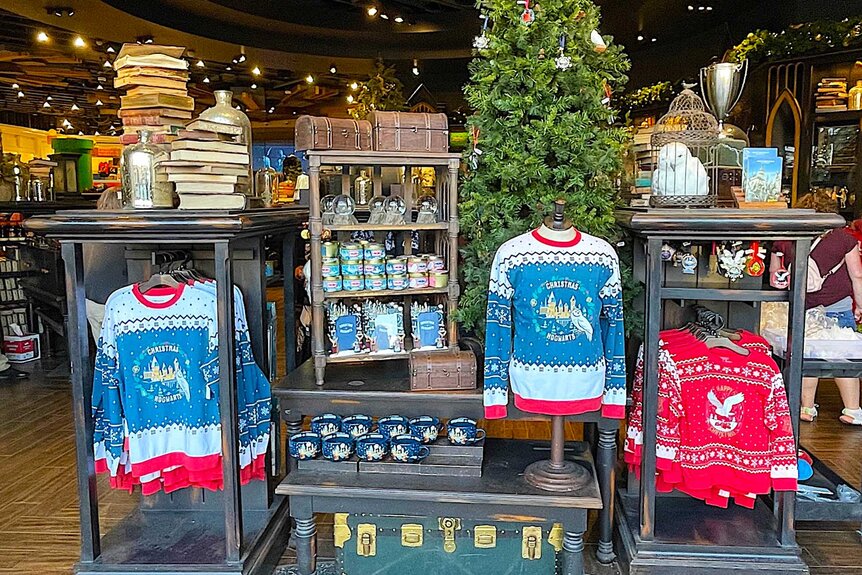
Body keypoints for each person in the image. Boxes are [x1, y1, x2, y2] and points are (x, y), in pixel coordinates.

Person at [773, 226, 862, 424]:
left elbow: (775, 274)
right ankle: (852, 410)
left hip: (803, 307)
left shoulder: (787, 237)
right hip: (837, 305)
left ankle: (806, 407)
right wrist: (860, 306)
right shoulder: (843, 238)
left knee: (807, 356)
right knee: (845, 358)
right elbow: (857, 274)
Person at [84, 188, 128, 341]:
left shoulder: (88, 232)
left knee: (103, 351)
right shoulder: (125, 234)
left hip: (90, 301)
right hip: (115, 302)